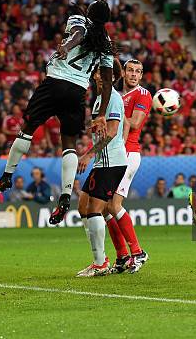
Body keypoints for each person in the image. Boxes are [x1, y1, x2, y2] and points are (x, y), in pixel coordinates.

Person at [0, 0, 115, 227]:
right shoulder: (106, 44)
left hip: (55, 83)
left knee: (27, 129)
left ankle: (7, 176)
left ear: (89, 12)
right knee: (69, 142)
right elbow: (107, 83)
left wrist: (66, 48)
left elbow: (78, 34)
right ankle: (66, 196)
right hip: (78, 91)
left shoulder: (78, 21)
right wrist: (101, 115)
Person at [75, 67, 128, 277]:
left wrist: (88, 155)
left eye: (101, 73)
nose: (97, 75)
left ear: (112, 77)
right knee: (83, 206)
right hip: (101, 163)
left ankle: (100, 264)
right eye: (96, 72)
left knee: (96, 209)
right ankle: (101, 259)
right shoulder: (99, 100)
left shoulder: (113, 98)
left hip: (111, 162)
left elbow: (113, 131)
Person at [105, 59, 151, 274]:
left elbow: (134, 123)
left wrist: (115, 111)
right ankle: (122, 256)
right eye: (130, 70)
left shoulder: (142, 94)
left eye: (138, 72)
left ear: (141, 76)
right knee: (104, 208)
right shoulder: (116, 94)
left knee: (114, 205)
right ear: (123, 72)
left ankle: (138, 252)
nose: (134, 74)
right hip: (113, 154)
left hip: (129, 154)